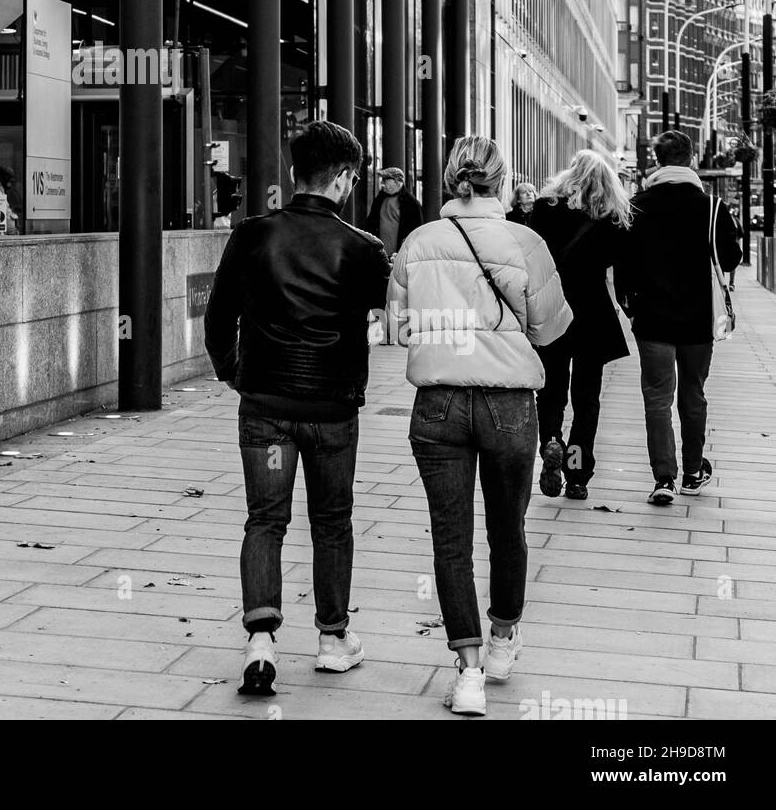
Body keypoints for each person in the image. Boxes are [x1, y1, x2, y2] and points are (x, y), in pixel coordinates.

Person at [204, 121, 390, 697]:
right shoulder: (364, 249)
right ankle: (333, 640)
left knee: (265, 520)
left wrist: (234, 372)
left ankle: (260, 642)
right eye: (353, 178)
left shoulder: (252, 235)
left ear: (294, 174)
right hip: (331, 409)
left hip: (265, 407)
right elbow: (379, 322)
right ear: (341, 181)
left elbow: (217, 319)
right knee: (332, 522)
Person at [388, 134, 572, 716]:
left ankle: (466, 674)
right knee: (507, 529)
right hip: (510, 406)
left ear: (451, 180)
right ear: (500, 179)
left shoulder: (419, 241)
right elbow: (549, 327)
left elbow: (398, 327)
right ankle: (502, 640)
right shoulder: (526, 242)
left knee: (450, 537)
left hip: (437, 403)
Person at [615, 130, 741, 506]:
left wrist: (631, 307)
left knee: (657, 397)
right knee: (693, 392)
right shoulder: (712, 207)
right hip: (698, 319)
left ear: (656, 160)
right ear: (690, 159)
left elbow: (623, 265)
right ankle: (692, 472)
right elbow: (731, 258)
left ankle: (663, 478)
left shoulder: (638, 205)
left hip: (652, 318)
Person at [528, 151, 632, 501]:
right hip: (593, 314)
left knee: (551, 389)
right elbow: (620, 268)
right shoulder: (611, 217)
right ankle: (577, 472)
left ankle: (551, 443)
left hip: (554, 309)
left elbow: (531, 258)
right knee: (586, 398)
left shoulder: (544, 208)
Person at [364, 166, 424, 257]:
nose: (382, 183)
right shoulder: (380, 199)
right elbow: (370, 223)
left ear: (397, 182)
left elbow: (416, 232)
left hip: (399, 256)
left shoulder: (411, 204)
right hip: (378, 254)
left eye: (385, 180)